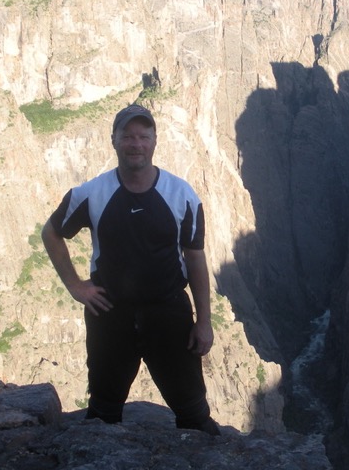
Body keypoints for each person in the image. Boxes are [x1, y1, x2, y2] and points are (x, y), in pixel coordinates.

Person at [41, 103, 220, 434]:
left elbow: (195, 258)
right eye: (128, 136)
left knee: (194, 414)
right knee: (103, 413)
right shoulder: (92, 193)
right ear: (113, 141)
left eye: (143, 136)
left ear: (154, 142)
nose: (135, 144)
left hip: (169, 314)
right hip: (110, 315)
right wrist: (75, 286)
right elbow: (51, 232)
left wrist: (204, 322)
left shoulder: (182, 195)